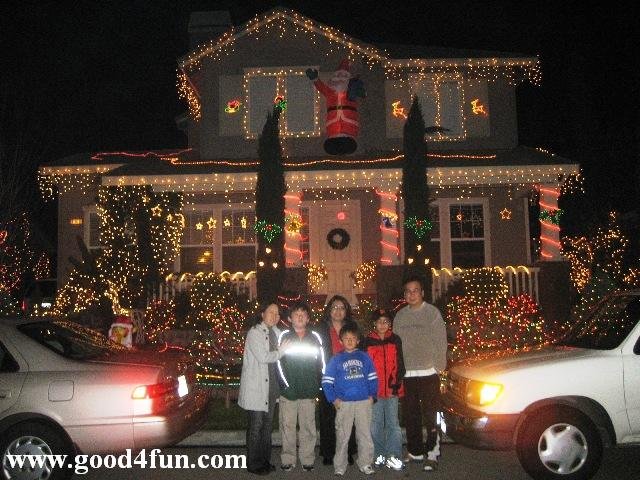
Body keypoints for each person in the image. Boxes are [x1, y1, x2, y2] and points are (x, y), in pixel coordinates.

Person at [393, 275, 448, 472]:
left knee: (431, 415)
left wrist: (439, 367)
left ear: (422, 293)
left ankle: (432, 453)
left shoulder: (432, 313)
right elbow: (395, 345)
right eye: (408, 291)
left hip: (428, 373)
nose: (411, 294)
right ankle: (415, 451)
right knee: (411, 415)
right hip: (407, 374)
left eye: (415, 290)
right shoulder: (400, 316)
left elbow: (441, 340)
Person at [238, 303, 290, 475]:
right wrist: (281, 352)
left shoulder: (276, 332)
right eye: (271, 312)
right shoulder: (255, 333)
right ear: (262, 314)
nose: (275, 316)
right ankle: (254, 464)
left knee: (267, 427)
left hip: (271, 387)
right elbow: (263, 357)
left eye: (277, 313)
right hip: (257, 387)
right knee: (256, 426)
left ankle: (265, 461)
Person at [322, 323, 378, 476]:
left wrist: (372, 396)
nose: (350, 341)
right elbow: (326, 381)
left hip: (363, 402)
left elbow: (373, 378)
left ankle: (365, 462)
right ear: (340, 341)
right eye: (346, 338)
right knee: (342, 435)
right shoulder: (336, 359)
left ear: (358, 340)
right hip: (344, 403)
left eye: (353, 338)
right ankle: (340, 465)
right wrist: (333, 399)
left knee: (365, 435)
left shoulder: (364, 357)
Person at [276, 301, 325, 472]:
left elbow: (321, 363)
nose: (300, 317)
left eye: (303, 314)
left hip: (308, 390)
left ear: (308, 318)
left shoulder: (315, 337)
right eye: (296, 314)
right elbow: (278, 362)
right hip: (288, 391)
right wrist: (284, 385)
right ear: (290, 318)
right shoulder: (284, 336)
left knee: (308, 427)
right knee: (287, 427)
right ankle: (288, 459)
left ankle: (307, 459)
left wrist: (318, 384)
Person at [362, 308, 406, 471]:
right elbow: (364, 367)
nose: (382, 324)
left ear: (390, 324)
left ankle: (393, 455)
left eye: (386, 321)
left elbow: (400, 363)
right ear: (374, 323)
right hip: (374, 391)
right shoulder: (367, 341)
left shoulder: (395, 339)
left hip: (392, 389)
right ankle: (378, 453)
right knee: (375, 424)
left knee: (393, 423)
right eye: (379, 321)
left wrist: (397, 381)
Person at [316, 295, 358, 465]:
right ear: (329, 310)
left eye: (342, 307)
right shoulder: (321, 329)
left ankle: (347, 451)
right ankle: (328, 452)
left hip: (348, 378)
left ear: (346, 310)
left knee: (347, 417)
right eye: (334, 307)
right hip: (327, 378)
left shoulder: (352, 328)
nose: (338, 311)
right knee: (327, 417)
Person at [305, 59, 366, 155]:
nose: (340, 79)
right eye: (338, 77)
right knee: (332, 145)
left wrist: (359, 90)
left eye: (343, 77)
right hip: (333, 125)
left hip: (348, 125)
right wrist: (315, 79)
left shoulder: (351, 91)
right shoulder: (329, 92)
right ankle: (336, 148)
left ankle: (345, 147)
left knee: (347, 143)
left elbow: (362, 93)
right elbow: (321, 87)